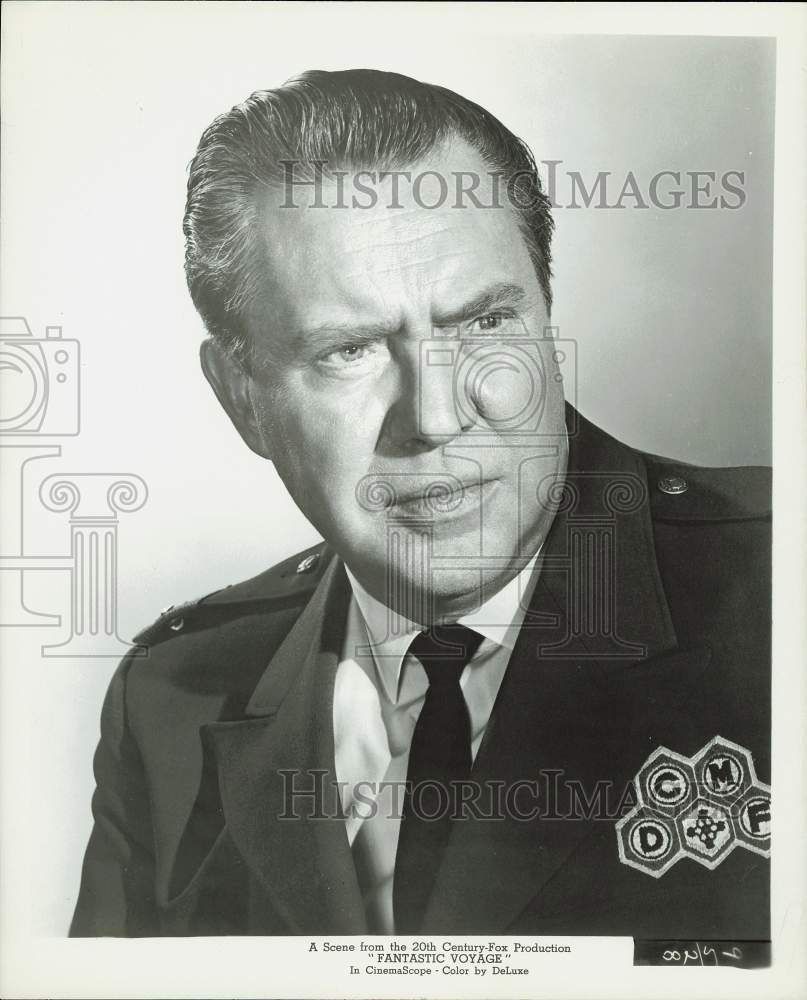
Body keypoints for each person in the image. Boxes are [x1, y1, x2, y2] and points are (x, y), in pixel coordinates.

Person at [70, 69, 770, 939]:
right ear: (241, 398)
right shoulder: (174, 698)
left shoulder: (774, 592)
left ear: (546, 319)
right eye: (349, 349)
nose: (436, 417)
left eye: (482, 324)